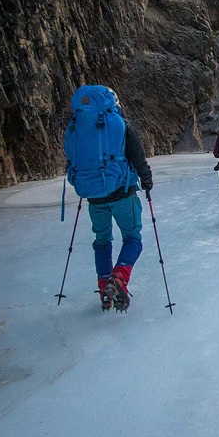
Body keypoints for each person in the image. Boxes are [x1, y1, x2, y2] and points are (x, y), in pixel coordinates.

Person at [64, 85, 153, 312]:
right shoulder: (120, 125)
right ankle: (119, 277)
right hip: (122, 192)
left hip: (94, 197)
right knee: (133, 237)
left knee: (102, 240)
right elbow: (137, 155)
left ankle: (105, 285)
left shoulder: (77, 125)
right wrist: (146, 179)